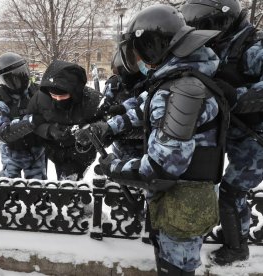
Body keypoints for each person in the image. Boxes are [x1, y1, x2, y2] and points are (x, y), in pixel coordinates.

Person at [90, 5, 225, 275]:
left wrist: (114, 167)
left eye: (139, 52)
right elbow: (145, 108)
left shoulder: (182, 88)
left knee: (175, 269)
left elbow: (163, 167)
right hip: (183, 201)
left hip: (181, 204)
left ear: (155, 46)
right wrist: (108, 127)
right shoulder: (182, 78)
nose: (138, 61)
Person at [181, 0, 263, 265]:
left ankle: (237, 248)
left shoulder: (252, 48)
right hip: (229, 131)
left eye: (206, 24)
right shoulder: (219, 45)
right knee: (214, 185)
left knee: (231, 191)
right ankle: (231, 230)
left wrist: (235, 96)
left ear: (224, 21)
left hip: (254, 135)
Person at [27, 60, 102, 180]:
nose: (57, 99)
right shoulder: (41, 97)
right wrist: (49, 130)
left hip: (81, 152)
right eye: (54, 96)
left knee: (71, 186)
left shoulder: (92, 100)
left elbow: (107, 123)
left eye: (62, 96)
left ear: (74, 92)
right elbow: (32, 121)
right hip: (54, 150)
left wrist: (87, 131)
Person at [0, 52, 46, 179]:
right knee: (9, 194)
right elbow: (3, 132)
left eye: (20, 75)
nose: (18, 81)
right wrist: (32, 121)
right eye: (11, 78)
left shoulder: (37, 93)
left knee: (38, 194)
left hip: (36, 153)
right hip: (11, 155)